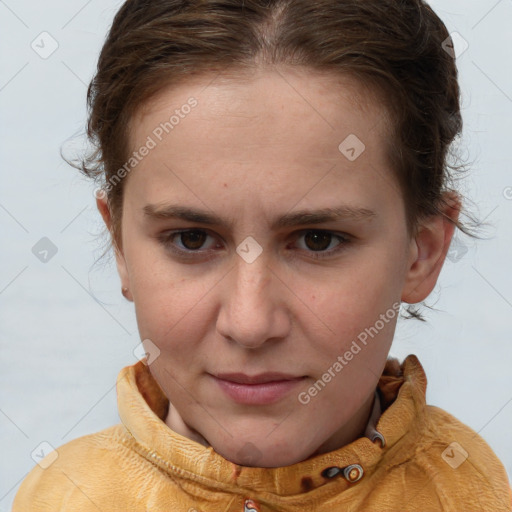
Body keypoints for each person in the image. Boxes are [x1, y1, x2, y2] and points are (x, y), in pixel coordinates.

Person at [12, 0, 512, 510]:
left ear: (421, 253)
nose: (250, 324)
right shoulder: (59, 499)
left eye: (318, 239)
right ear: (120, 245)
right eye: (191, 239)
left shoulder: (475, 495)